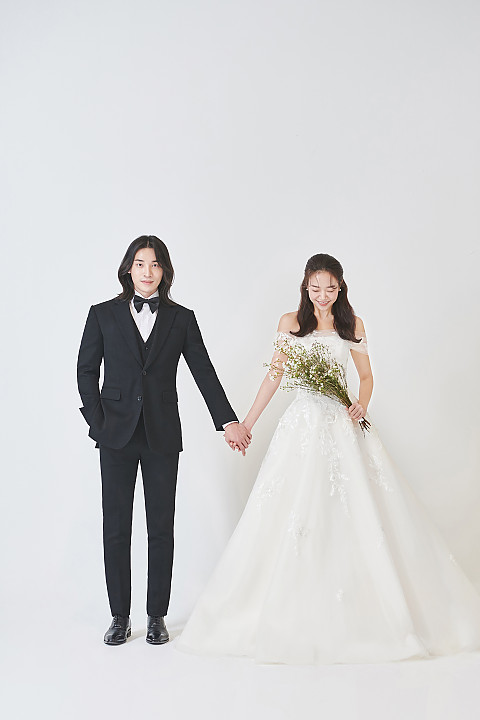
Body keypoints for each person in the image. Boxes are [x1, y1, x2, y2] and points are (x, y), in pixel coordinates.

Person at [177, 253, 480, 664]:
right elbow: (274, 375)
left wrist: (361, 403)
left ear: (341, 288)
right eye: (316, 288)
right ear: (306, 286)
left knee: (358, 509)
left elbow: (366, 376)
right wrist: (245, 422)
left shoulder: (352, 324)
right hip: (301, 425)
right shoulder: (290, 323)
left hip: (342, 424)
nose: (323, 295)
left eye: (331, 288)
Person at [77, 235, 251, 646]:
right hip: (116, 435)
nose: (147, 272)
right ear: (128, 268)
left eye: (155, 264)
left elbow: (203, 371)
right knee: (115, 528)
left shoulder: (181, 318)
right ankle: (120, 616)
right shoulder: (102, 314)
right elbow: (86, 371)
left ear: (165, 271)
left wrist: (228, 421)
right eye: (140, 264)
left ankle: (156, 616)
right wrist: (99, 424)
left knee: (161, 528)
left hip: (162, 434)